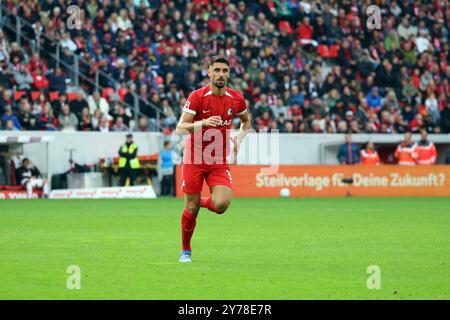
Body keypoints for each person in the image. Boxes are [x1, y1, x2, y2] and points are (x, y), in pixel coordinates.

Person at [175, 56, 252, 263]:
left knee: (221, 204)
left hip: (218, 159)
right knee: (191, 210)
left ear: (228, 73)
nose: (220, 74)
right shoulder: (198, 96)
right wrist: (204, 122)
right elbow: (180, 127)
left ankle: (194, 201)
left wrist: (239, 138)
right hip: (195, 157)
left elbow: (247, 123)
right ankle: (185, 250)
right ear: (209, 72)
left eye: (224, 71)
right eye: (216, 70)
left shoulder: (236, 99)